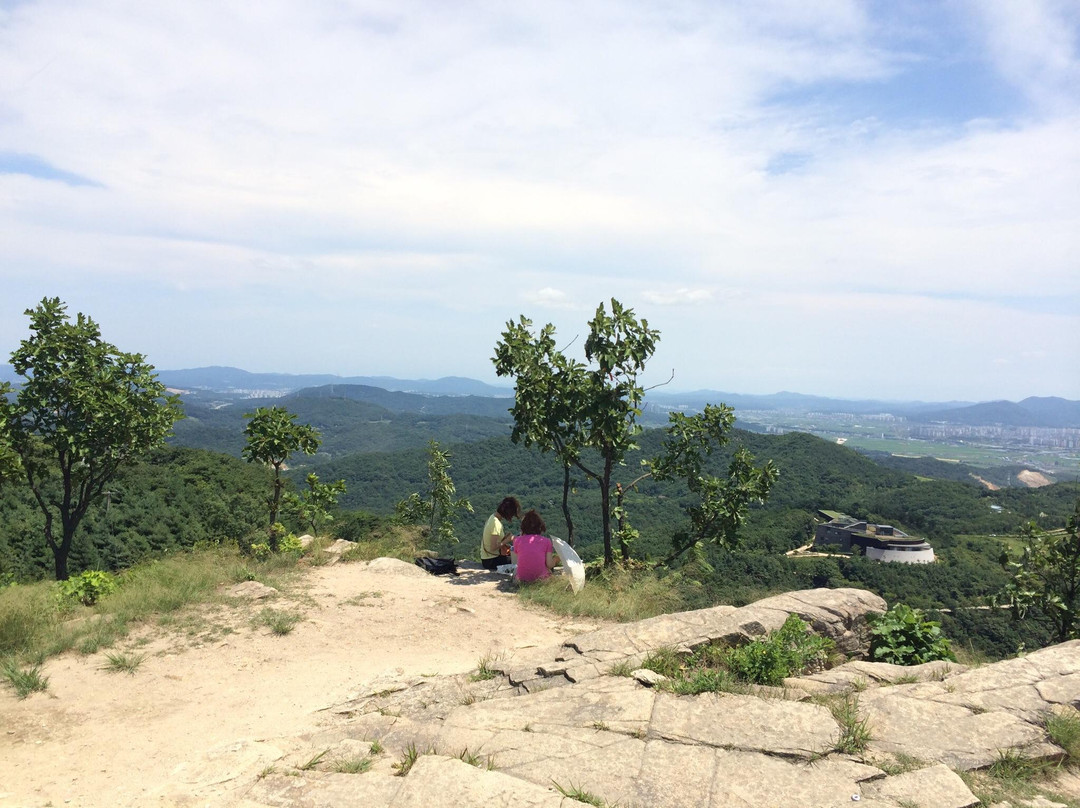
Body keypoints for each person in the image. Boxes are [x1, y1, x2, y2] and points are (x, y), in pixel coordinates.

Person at [511, 509, 558, 583]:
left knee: (515, 570)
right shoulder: (546, 541)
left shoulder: (517, 540)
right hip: (541, 580)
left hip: (521, 579)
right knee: (549, 571)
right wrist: (556, 559)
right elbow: (549, 564)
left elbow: (521, 560)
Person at [480, 496, 521, 570]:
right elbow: (493, 548)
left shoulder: (492, 517)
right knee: (519, 560)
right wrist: (507, 540)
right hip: (491, 560)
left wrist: (504, 540)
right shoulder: (496, 524)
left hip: (487, 558)